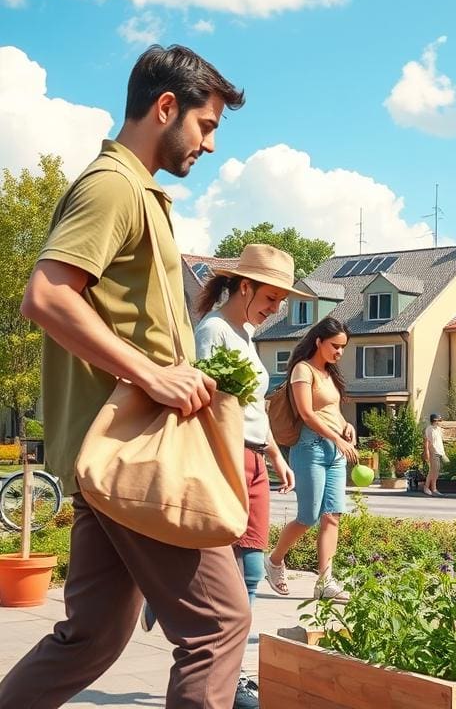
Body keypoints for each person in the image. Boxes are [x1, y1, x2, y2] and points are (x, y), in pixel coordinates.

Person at [2, 45, 249, 709]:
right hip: (134, 453)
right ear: (166, 107)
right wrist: (153, 375)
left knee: (93, 637)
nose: (210, 144)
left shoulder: (137, 191)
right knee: (220, 626)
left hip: (111, 451)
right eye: (206, 125)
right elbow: (47, 296)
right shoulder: (113, 185)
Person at [140, 243, 299, 709]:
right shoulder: (212, 332)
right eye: (270, 298)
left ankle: (224, 666)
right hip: (226, 457)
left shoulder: (244, 334)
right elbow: (205, 407)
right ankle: (232, 676)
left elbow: (252, 407)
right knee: (238, 571)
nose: (276, 309)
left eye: (280, 301)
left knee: (250, 566)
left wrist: (275, 454)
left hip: (253, 460)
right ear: (244, 286)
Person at [264, 317, 358, 602]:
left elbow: (330, 410)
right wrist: (337, 439)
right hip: (311, 449)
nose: (339, 352)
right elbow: (306, 413)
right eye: (335, 346)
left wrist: (346, 426)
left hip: (334, 451)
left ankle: (325, 582)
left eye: (343, 347)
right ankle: (274, 560)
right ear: (319, 341)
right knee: (309, 516)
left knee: (333, 515)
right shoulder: (302, 370)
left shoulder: (329, 374)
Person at [422, 412, 449, 496]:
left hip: (440, 452)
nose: (440, 422)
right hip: (433, 452)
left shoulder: (438, 429)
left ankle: (433, 488)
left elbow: (440, 441)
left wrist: (443, 453)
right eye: (438, 420)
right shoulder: (429, 429)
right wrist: (427, 452)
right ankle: (427, 487)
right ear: (434, 420)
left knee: (436, 471)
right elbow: (426, 441)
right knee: (433, 470)